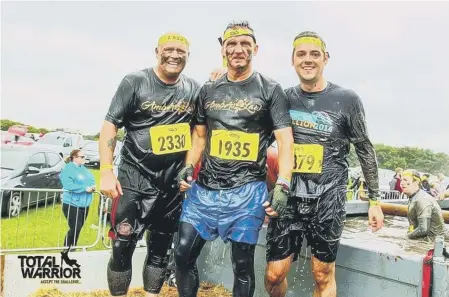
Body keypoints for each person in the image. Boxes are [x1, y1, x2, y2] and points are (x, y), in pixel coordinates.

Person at [175, 21, 294, 297]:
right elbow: (200, 137)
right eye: (232, 44)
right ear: (223, 49)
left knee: (242, 266)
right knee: (182, 254)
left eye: (245, 44)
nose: (238, 49)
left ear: (255, 49)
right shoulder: (209, 90)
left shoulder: (270, 89)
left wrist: (284, 183)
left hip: (246, 193)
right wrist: (189, 165)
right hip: (204, 191)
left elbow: (286, 142)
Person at [264, 31, 384, 297]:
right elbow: (258, 139)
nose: (308, 60)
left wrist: (374, 201)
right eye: (302, 54)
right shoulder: (282, 97)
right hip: (289, 197)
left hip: (328, 198)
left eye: (315, 54)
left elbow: (365, 149)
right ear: (292, 61)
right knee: (274, 274)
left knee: (322, 274)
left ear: (325, 59)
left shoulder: (347, 99)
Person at [98, 32, 200, 297]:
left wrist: (187, 167)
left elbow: (199, 133)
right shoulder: (135, 81)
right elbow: (110, 124)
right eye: (169, 49)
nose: (174, 55)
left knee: (160, 251)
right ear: (157, 51)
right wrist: (106, 171)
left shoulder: (194, 89)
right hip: (133, 181)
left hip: (170, 186)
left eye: (181, 51)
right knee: (122, 247)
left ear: (188, 56)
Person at [59, 149, 96, 247]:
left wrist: (93, 186)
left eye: (84, 157)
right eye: (82, 157)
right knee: (75, 227)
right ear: (74, 158)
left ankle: (73, 247)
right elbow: (68, 185)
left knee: (78, 228)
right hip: (72, 203)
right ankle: (66, 247)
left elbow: (91, 180)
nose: (84, 158)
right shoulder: (68, 170)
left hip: (84, 204)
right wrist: (84, 188)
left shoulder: (84, 169)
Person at [400, 169, 448, 240]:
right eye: (401, 180)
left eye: (405, 180)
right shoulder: (414, 197)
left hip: (435, 243)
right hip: (428, 240)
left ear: (416, 182)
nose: (401, 183)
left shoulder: (422, 200)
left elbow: (423, 230)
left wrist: (404, 238)